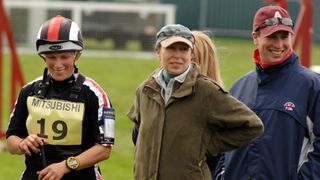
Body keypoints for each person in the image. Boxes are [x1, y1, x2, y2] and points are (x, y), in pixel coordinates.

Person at [127, 23, 264, 180]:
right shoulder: (145, 90)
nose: (177, 55)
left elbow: (252, 125)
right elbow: (139, 135)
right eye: (171, 48)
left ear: (191, 53)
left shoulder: (206, 91)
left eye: (184, 49)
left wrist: (206, 147)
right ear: (158, 51)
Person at [214, 5, 320, 179]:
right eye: (272, 37)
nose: (279, 44)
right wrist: (222, 173)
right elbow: (224, 140)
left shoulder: (312, 86)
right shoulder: (239, 87)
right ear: (255, 37)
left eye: (284, 36)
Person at [6, 15, 115, 180]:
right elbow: (11, 141)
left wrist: (65, 166)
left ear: (76, 55)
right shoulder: (28, 91)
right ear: (43, 57)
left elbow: (104, 149)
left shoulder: (95, 95)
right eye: (51, 57)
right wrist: (22, 144)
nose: (58, 64)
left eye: (64, 57)